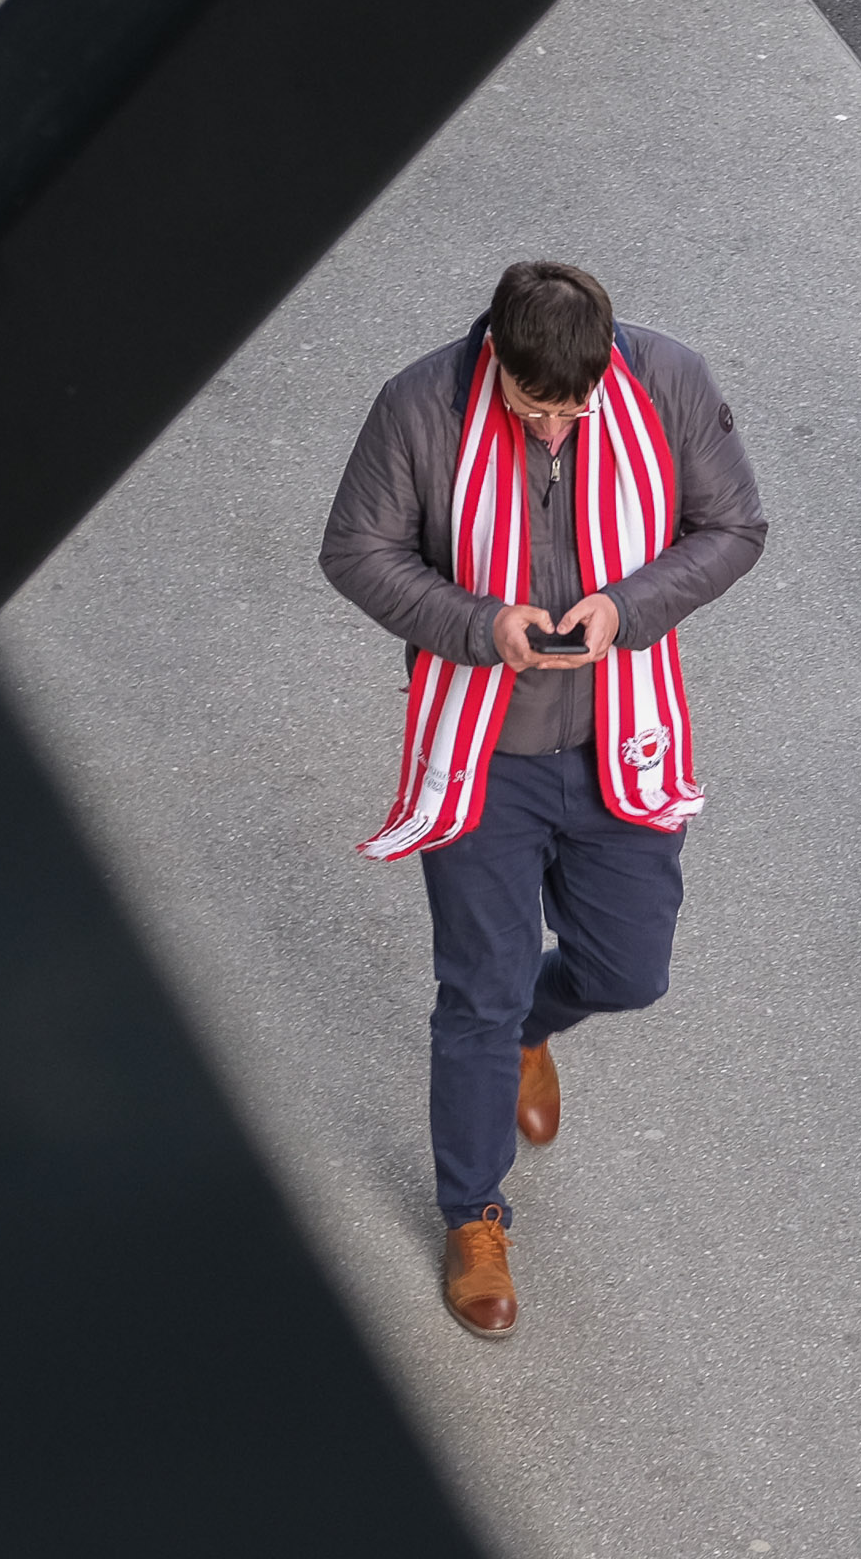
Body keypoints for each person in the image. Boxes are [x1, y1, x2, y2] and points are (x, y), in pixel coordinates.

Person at [319, 261, 768, 1337]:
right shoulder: (418, 405)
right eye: (535, 408)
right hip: (484, 752)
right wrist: (484, 627)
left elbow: (735, 527)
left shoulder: (665, 382)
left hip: (622, 732)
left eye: (578, 405)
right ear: (497, 360)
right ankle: (474, 1216)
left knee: (630, 971)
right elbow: (356, 551)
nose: (559, 428)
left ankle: (532, 1027)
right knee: (476, 989)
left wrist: (628, 605)